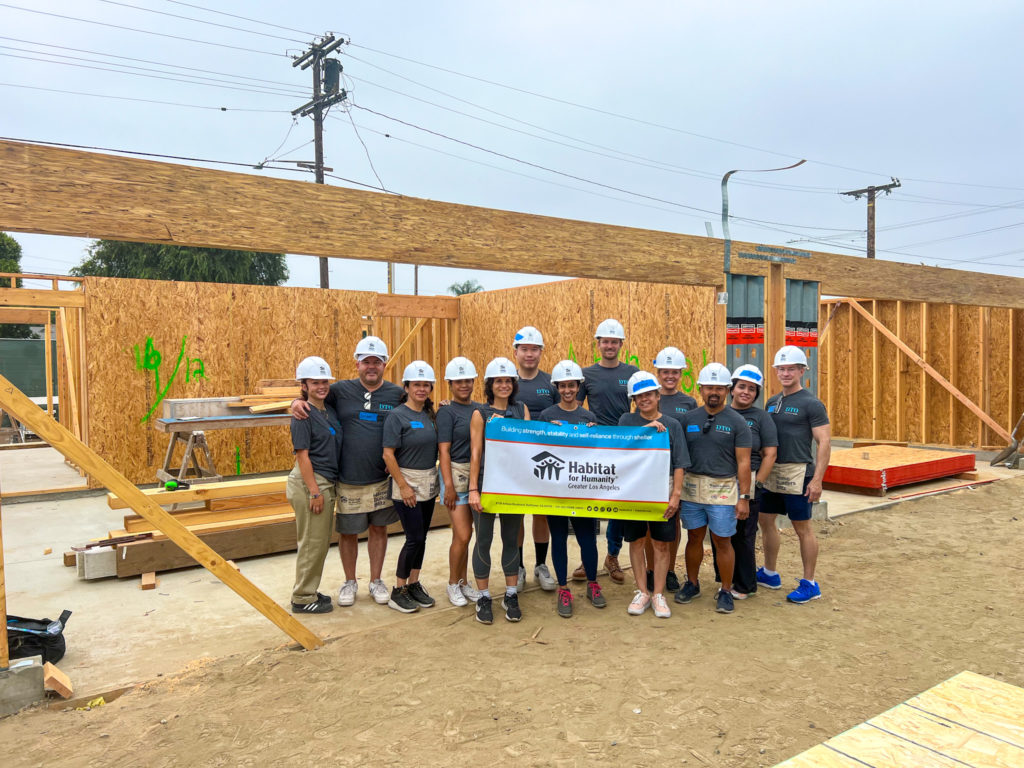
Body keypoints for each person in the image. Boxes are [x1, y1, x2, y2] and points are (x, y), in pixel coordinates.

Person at [290, 335, 402, 608]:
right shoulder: (340, 390)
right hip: (347, 480)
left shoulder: (397, 394)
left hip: (379, 478)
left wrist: (443, 406)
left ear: (385, 364)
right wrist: (293, 402)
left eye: (377, 362)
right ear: (357, 365)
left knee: (379, 529)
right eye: (366, 362)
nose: (371, 367)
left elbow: (420, 407)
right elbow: (310, 398)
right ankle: (349, 581)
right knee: (348, 533)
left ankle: (375, 581)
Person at [757, 346, 831, 604]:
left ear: (802, 371)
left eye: (791, 369)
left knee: (803, 529)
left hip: (799, 473)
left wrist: (818, 479)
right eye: (782, 368)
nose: (786, 373)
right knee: (765, 521)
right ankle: (769, 573)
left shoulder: (811, 404)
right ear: (776, 371)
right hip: (773, 473)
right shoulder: (772, 402)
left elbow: (824, 442)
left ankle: (810, 583)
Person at [677, 363, 753, 615]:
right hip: (692, 488)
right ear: (700, 389)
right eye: (709, 387)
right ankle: (692, 583)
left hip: (723, 489)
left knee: (722, 540)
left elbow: (744, 462)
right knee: (694, 537)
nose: (714, 392)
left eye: (719, 388)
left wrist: (744, 498)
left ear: (727, 390)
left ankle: (725, 590)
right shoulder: (688, 419)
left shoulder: (737, 422)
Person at [617, 371, 688, 619]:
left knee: (660, 543)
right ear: (634, 399)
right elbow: (618, 452)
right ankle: (642, 591)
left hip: (663, 488)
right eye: (639, 396)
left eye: (649, 394)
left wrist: (675, 496)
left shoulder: (673, 425)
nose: (644, 399)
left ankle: (658, 594)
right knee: (636, 541)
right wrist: (643, 431)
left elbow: (680, 463)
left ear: (658, 396)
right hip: (635, 489)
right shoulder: (626, 421)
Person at [538, 359, 606, 618]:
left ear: (579, 387)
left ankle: (592, 583)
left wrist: (593, 432)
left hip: (581, 490)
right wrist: (546, 431)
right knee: (558, 538)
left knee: (587, 537)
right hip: (555, 490)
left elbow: (596, 453)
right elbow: (538, 448)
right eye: (563, 386)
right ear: (557, 387)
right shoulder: (547, 416)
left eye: (572, 385)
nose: (567, 390)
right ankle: (563, 589)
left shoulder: (589, 417)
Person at [577, 318, 639, 585]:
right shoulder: (586, 374)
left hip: (623, 447)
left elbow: (644, 406)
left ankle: (612, 556)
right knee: (590, 504)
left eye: (614, 342)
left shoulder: (633, 372)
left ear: (621, 344)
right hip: (594, 448)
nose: (610, 345)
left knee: (617, 504)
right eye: (605, 341)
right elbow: (577, 408)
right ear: (598, 344)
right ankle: (587, 556)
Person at [468, 357, 529, 624]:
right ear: (489, 385)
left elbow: (529, 446)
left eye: (508, 381)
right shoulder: (479, 414)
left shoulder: (522, 410)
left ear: (513, 384)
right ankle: (483, 597)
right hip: (486, 485)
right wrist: (473, 488)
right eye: (498, 381)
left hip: (512, 486)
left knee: (511, 538)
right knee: (483, 539)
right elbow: (475, 452)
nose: (503, 385)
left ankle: (510, 594)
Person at [710, 364, 777, 598]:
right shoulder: (719, 412)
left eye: (751, 389)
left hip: (747, 486)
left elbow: (770, 454)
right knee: (721, 533)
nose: (746, 392)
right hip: (720, 483)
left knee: (743, 535)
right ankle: (725, 579)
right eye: (742, 387)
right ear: (732, 389)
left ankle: (745, 584)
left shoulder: (761, 418)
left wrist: (755, 484)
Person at [382, 361, 440, 614]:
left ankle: (414, 583)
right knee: (414, 538)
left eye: (426, 385)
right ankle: (398, 590)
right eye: (416, 384)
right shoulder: (397, 416)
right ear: (406, 387)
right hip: (407, 484)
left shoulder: (429, 415)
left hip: (428, 482)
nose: (421, 389)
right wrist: (403, 486)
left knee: (422, 537)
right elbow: (387, 455)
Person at [286, 356, 343, 614]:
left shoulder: (326, 410)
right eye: (315, 382)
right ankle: (302, 597)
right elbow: (302, 455)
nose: (321, 386)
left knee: (318, 543)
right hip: (311, 482)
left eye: (324, 381)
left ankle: (308, 588)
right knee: (311, 543)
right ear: (304, 385)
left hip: (324, 481)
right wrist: (315, 491)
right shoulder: (303, 414)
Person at [512, 326, 557, 593]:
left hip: (545, 460)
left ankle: (541, 565)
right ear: (515, 351)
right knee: (517, 513)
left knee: (541, 513)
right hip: (517, 460)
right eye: (524, 349)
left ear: (541, 352)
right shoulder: (506, 382)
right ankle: (517, 567)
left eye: (534, 349)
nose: (529, 354)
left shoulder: (550, 383)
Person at [436, 356, 483, 607]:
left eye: (468, 380)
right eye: (458, 381)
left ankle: (463, 582)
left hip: (473, 476)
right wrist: (449, 486)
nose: (464, 385)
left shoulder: (479, 409)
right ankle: (453, 584)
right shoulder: (446, 412)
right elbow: (444, 451)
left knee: (465, 534)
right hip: (454, 476)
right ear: (450, 384)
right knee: (463, 535)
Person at [653, 346, 698, 594]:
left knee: (673, 521)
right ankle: (652, 570)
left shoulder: (688, 402)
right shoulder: (648, 397)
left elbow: (689, 439)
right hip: (650, 472)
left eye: (675, 372)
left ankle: (669, 570)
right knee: (651, 522)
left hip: (675, 471)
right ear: (658, 372)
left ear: (681, 374)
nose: (670, 376)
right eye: (665, 371)